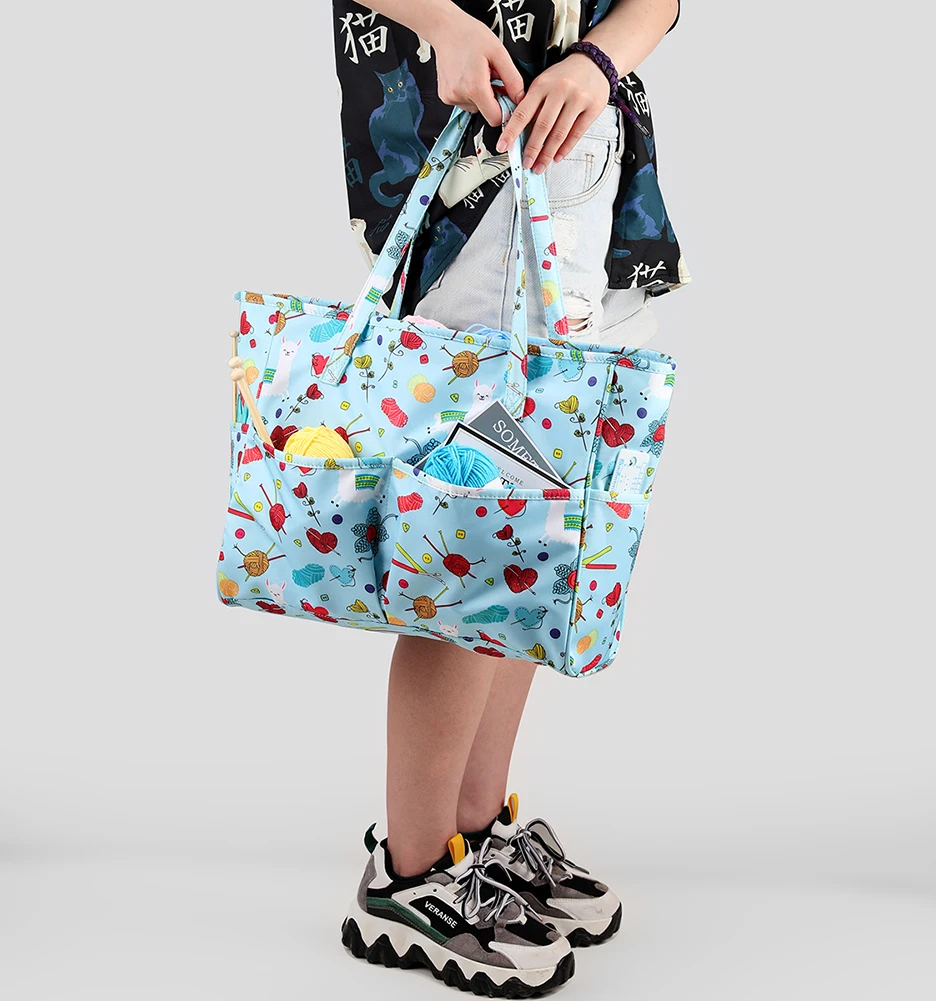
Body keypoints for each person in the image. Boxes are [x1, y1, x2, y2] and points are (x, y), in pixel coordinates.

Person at [332, 1, 687, 993]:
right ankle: (409, 872)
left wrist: (594, 62)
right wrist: (441, 21)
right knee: (472, 533)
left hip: (590, 170)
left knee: (533, 529)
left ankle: (472, 832)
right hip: (475, 190)